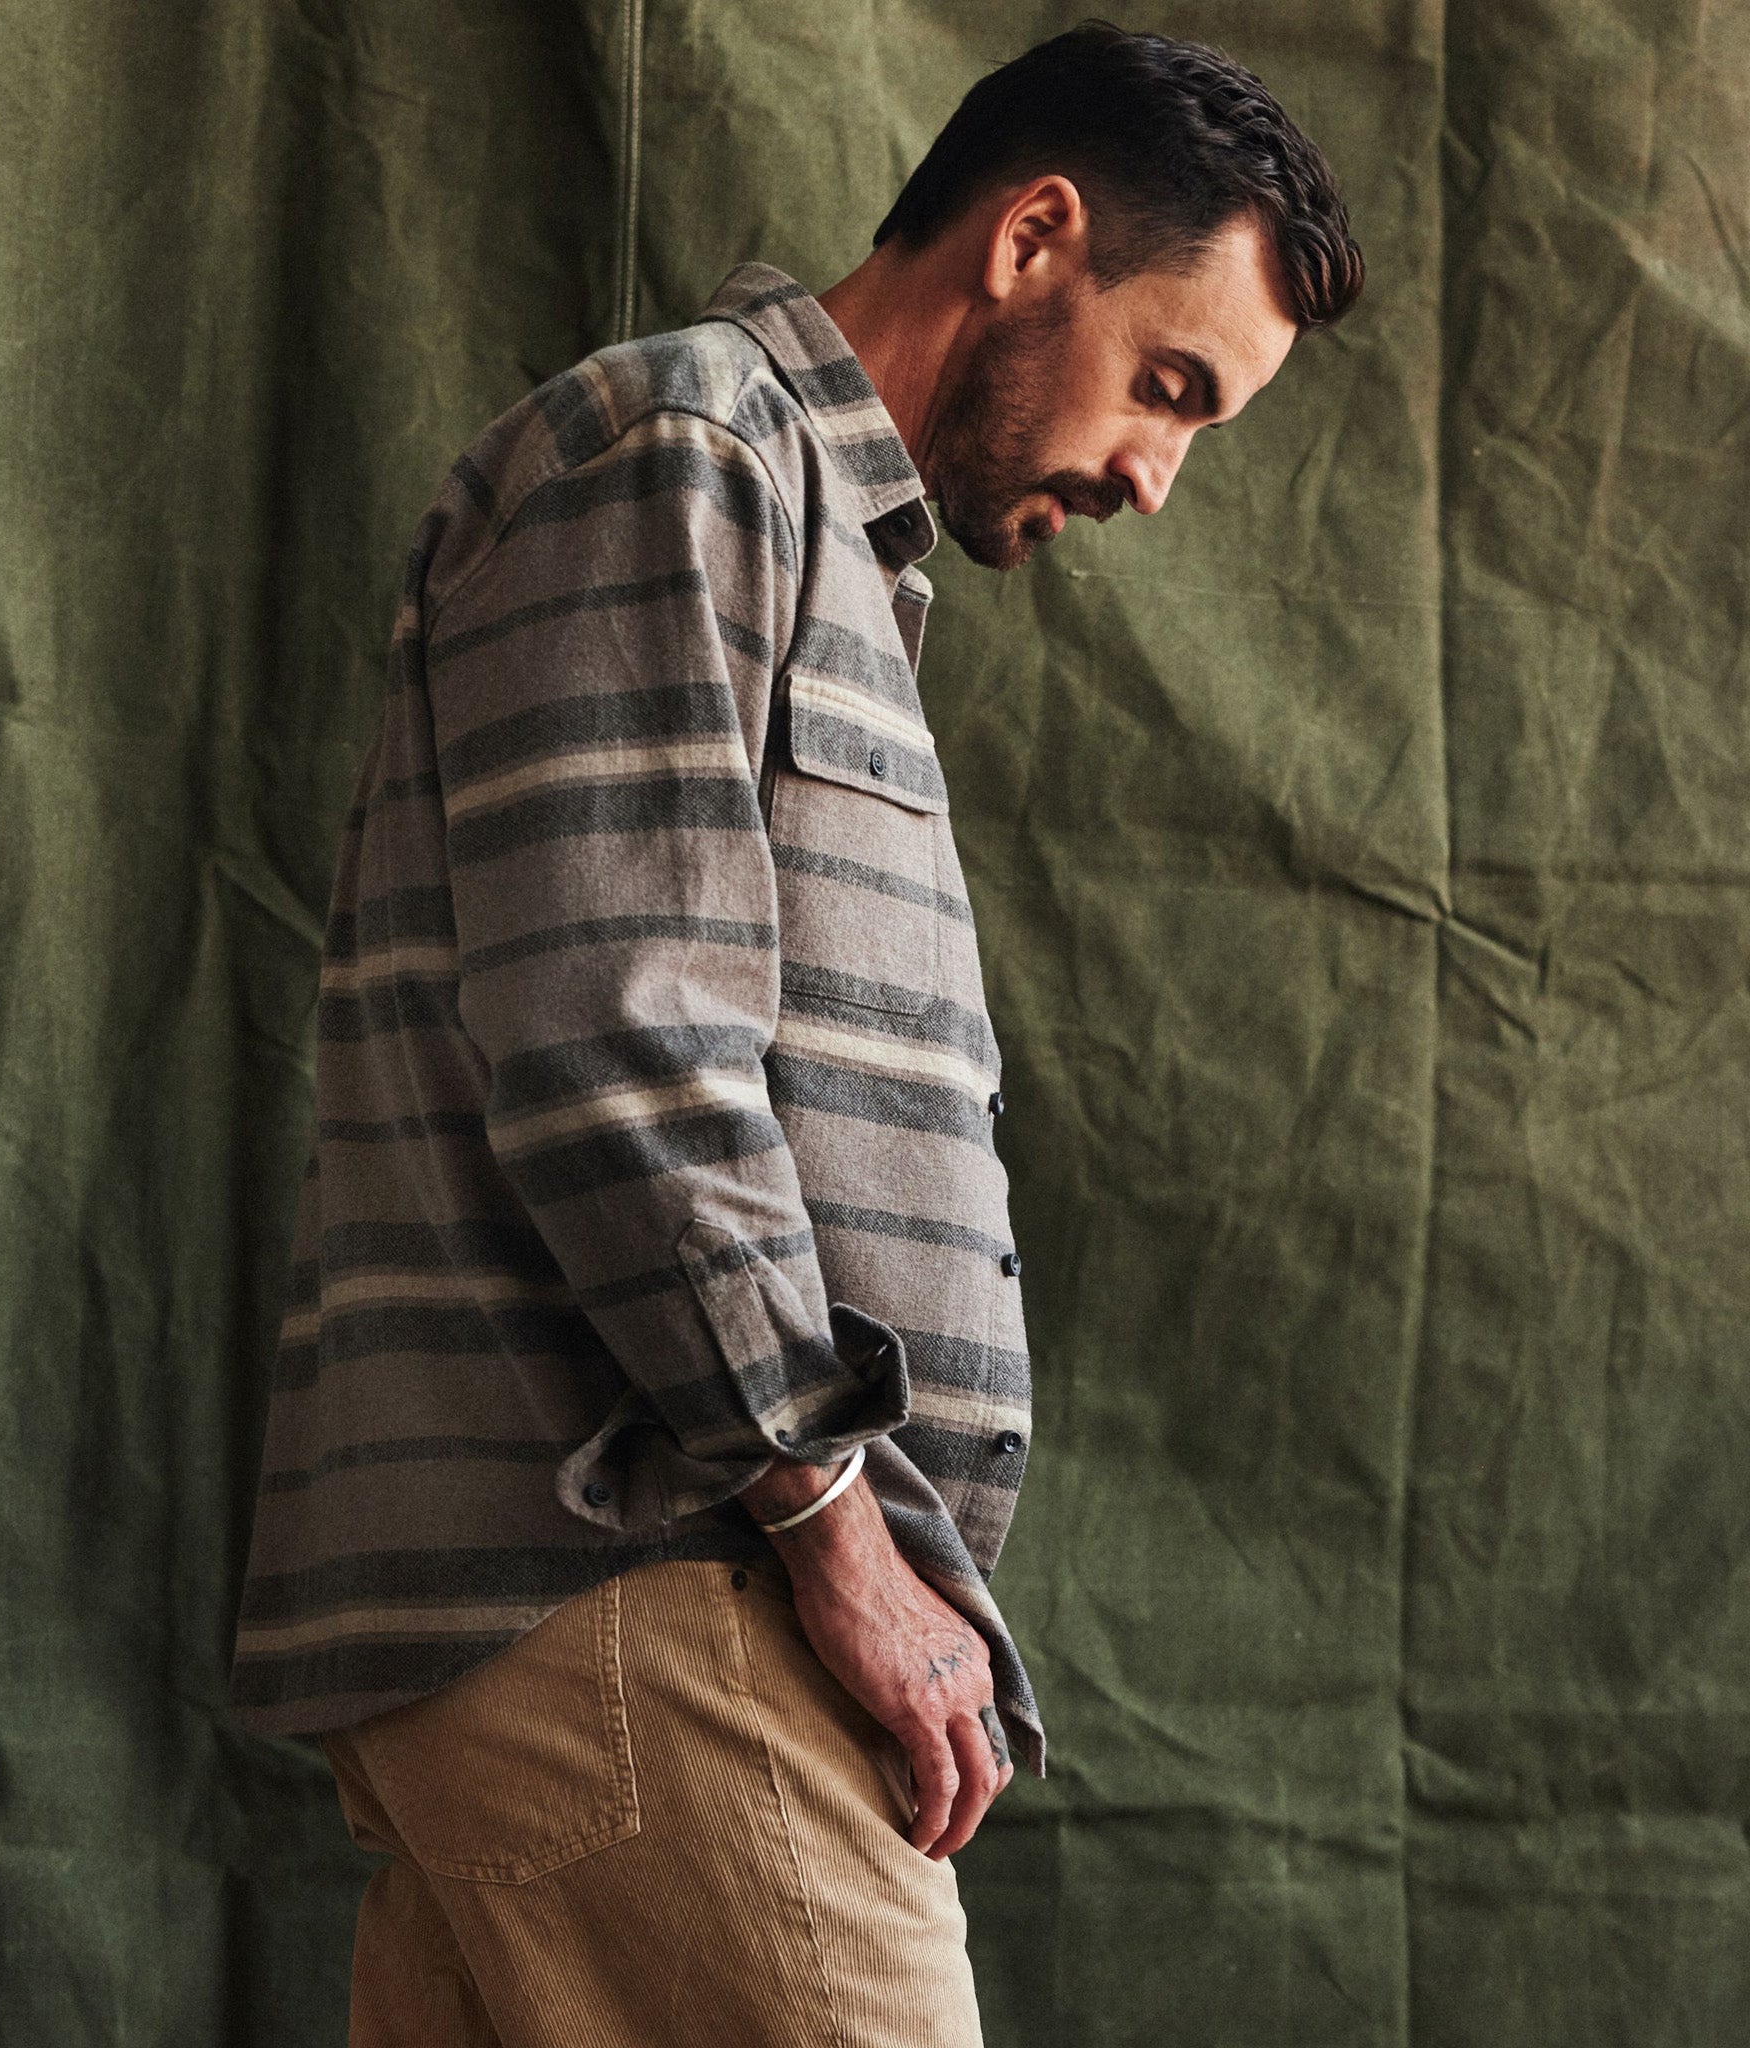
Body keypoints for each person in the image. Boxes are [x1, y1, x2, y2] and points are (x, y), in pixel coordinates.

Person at [229, 20, 1362, 2046]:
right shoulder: (683, 454)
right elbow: (621, 1048)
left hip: (600, 1591)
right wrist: (833, 1524)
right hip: (633, 1576)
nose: (1153, 475)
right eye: (1168, 383)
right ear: (1033, 236)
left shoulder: (806, 531)